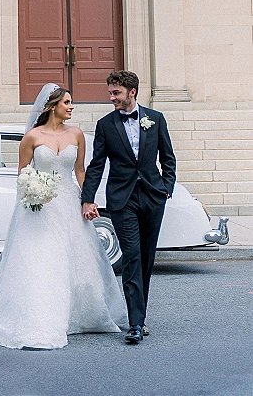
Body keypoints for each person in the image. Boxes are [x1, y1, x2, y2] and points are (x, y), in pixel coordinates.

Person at [0, 84, 126, 349]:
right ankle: (40, 316)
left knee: (77, 258)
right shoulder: (32, 136)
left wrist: (87, 200)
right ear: (53, 106)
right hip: (40, 208)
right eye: (67, 102)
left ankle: (81, 315)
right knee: (42, 259)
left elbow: (79, 171)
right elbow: (22, 172)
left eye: (71, 102)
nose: (72, 107)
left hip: (68, 203)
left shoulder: (76, 135)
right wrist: (35, 192)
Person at [81, 71, 176, 345]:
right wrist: (88, 198)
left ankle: (139, 315)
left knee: (146, 258)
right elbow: (97, 164)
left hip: (152, 196)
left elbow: (168, 157)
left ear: (132, 92)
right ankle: (136, 323)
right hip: (122, 200)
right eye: (110, 93)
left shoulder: (155, 120)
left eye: (116, 93)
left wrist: (166, 187)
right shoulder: (105, 125)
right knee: (132, 256)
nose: (111, 98)